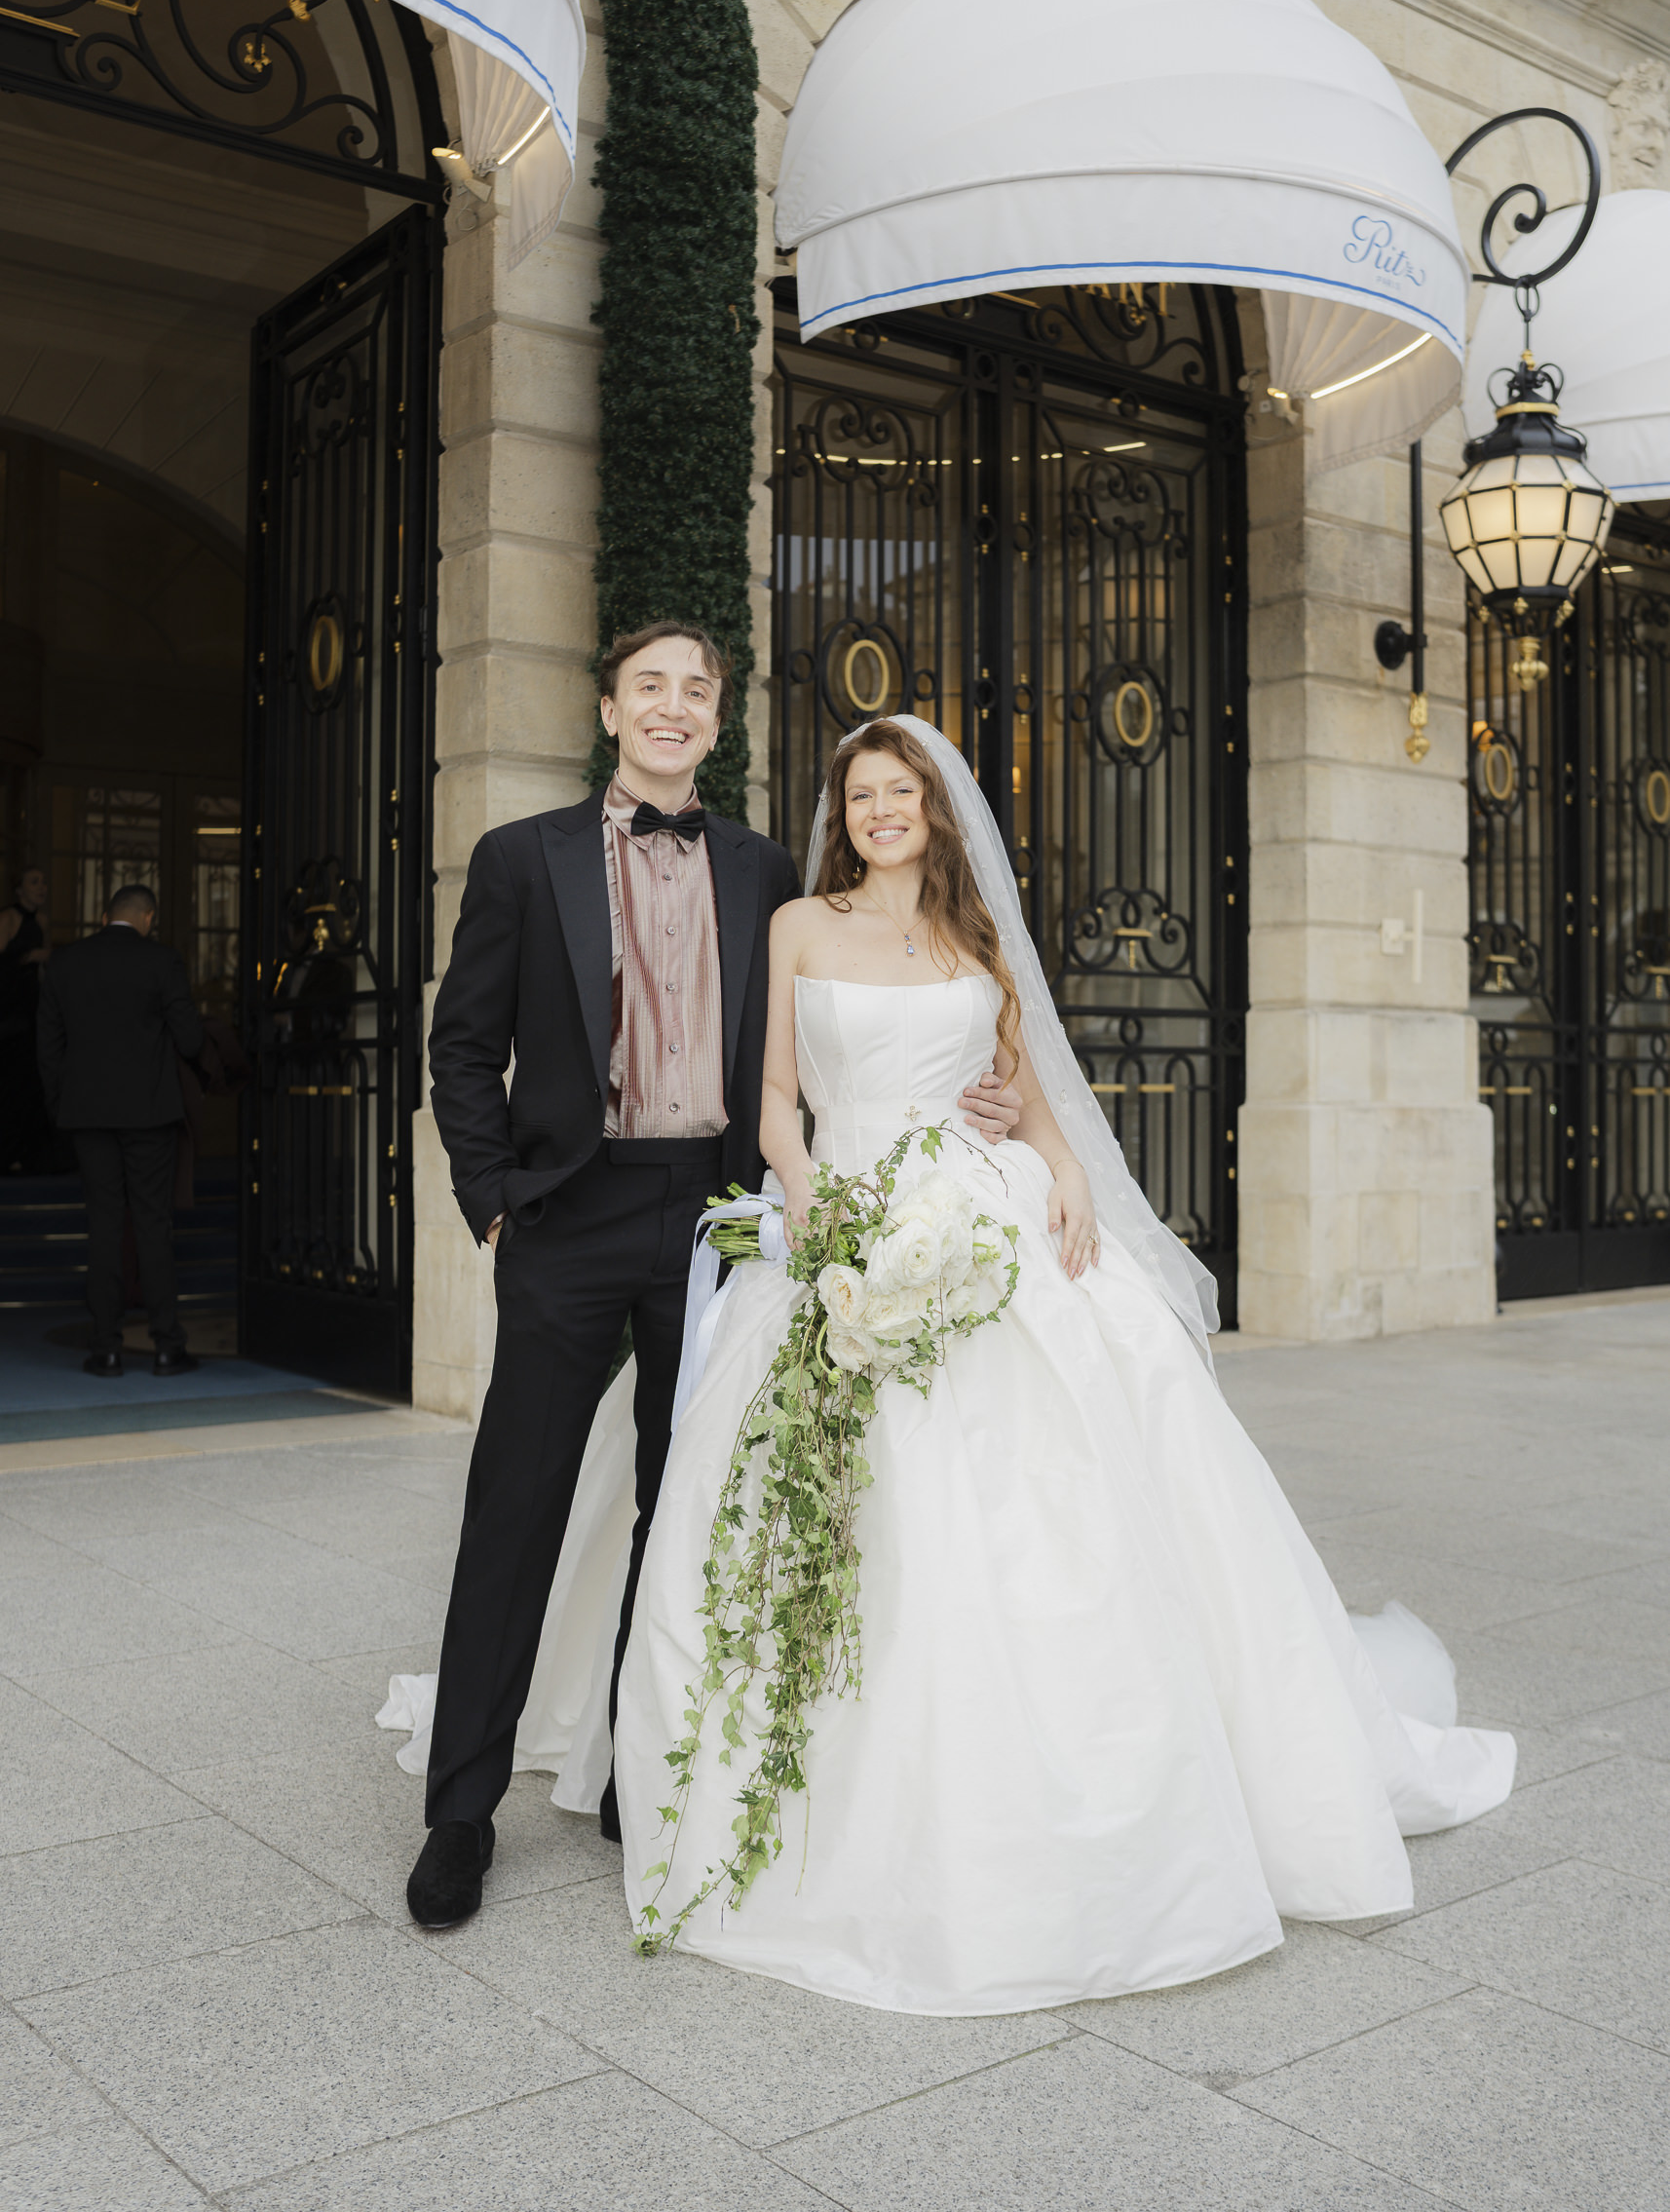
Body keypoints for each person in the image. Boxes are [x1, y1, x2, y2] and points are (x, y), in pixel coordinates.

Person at [408, 715, 1514, 2014]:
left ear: (934, 812)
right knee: (769, 1499)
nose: (881, 810)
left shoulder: (978, 942)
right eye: (862, 794)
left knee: (1047, 1500)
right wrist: (808, 1193)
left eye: (902, 793)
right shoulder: (796, 922)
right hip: (837, 1216)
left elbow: (1024, 1089)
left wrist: (1066, 1182)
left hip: (977, 1216)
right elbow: (769, 1099)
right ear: (841, 815)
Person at [410, 629, 1023, 1930]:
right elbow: (461, 1051)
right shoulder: (524, 857)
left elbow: (862, 995)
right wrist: (495, 1208)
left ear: (717, 717)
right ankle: (458, 1814)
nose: (673, 708)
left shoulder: (760, 872)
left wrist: (987, 1084)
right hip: (568, 1219)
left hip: (719, 1221)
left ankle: (642, 1761)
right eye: (651, 687)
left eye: (696, 689)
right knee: (515, 1505)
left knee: (684, 1499)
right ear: (609, 710)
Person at [36, 883, 204, 1380]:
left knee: (104, 1226)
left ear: (105, 914)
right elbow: (191, 1039)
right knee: (153, 1226)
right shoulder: (162, 962)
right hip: (149, 1113)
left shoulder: (65, 963)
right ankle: (167, 1347)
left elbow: (48, 1046)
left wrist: (59, 1106)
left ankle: (106, 1348)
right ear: (148, 916)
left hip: (86, 1114)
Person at [0, 865, 52, 1174]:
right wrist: (31, 957)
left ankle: (26, 1152)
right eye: (34, 882)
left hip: (32, 1008)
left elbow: (45, 968)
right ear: (19, 889)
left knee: (30, 1082)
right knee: (9, 1080)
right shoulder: (7, 918)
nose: (42, 887)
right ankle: (8, 1152)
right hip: (7, 1010)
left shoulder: (42, 921)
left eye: (44, 881)